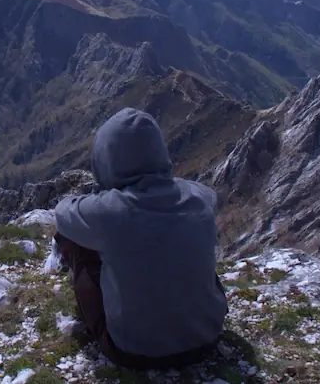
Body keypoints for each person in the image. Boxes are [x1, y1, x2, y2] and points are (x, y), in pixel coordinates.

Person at [53, 107, 228, 370]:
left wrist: (101, 193)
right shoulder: (202, 198)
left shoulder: (108, 212)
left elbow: (62, 213)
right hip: (207, 340)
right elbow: (192, 192)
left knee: (73, 241)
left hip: (132, 351)